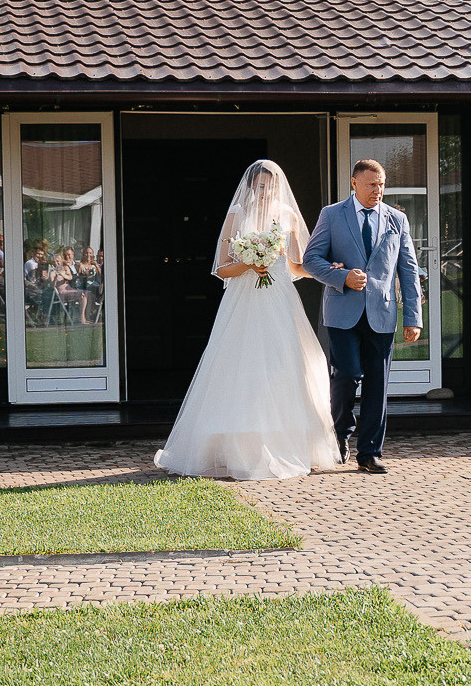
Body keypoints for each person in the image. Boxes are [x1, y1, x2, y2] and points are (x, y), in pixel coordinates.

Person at [154, 160, 341, 480]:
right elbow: (222, 267)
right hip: (244, 300)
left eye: (271, 185)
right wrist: (250, 265)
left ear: (279, 186)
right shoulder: (237, 214)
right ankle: (235, 448)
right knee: (240, 366)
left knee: (283, 365)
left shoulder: (289, 216)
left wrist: (327, 270)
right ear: (252, 186)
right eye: (261, 185)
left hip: (279, 299)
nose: (266, 191)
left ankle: (289, 444)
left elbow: (296, 266)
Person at [302, 158, 423, 474]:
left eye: (381, 184)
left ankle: (369, 453)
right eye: (371, 184)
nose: (377, 190)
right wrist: (341, 278)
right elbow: (311, 259)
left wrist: (414, 317)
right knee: (348, 375)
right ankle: (339, 433)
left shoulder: (397, 219)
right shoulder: (332, 215)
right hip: (342, 312)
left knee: (376, 385)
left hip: (381, 313)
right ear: (354, 183)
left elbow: (408, 269)